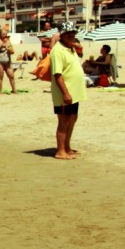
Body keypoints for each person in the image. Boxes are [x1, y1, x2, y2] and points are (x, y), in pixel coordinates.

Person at [49, 21, 86, 160]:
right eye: (68, 33)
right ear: (62, 35)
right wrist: (65, 93)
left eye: (73, 33)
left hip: (74, 91)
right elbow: (57, 74)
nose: (71, 35)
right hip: (65, 92)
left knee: (72, 118)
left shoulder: (70, 47)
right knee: (64, 120)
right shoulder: (57, 51)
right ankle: (60, 151)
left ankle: (67, 148)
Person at [0, 29, 17, 95]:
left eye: (6, 34)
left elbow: (12, 51)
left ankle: (14, 90)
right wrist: (2, 45)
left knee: (11, 75)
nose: (5, 35)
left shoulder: (8, 41)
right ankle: (0, 92)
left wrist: (10, 49)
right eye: (3, 34)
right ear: (0, 35)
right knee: (1, 75)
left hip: (7, 61)